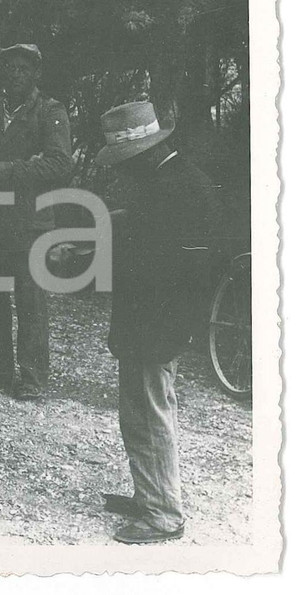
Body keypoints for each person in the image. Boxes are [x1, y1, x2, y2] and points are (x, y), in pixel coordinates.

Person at [96, 101, 216, 545]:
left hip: (158, 319)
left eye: (127, 162)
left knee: (151, 412)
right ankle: (148, 493)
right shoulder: (170, 180)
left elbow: (176, 261)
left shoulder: (177, 188)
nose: (123, 172)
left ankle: (164, 512)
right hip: (148, 316)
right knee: (137, 410)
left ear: (145, 153)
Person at [0, 43, 73, 401]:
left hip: (31, 222)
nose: (15, 75)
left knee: (30, 301)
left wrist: (8, 170)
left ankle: (33, 376)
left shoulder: (50, 111)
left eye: (23, 69)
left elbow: (60, 163)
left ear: (36, 74)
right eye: (10, 68)